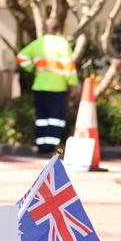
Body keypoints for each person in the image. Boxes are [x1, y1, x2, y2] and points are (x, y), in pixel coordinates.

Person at [15, 19, 78, 155]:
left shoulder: (38, 43)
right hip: (57, 87)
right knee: (56, 118)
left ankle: (41, 146)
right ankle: (50, 147)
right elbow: (69, 66)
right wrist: (72, 83)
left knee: (42, 118)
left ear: (45, 29)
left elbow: (21, 57)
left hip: (39, 87)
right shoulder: (62, 44)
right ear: (58, 29)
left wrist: (33, 68)